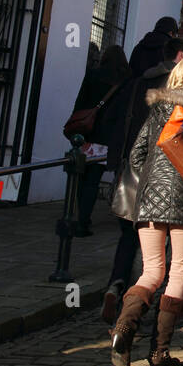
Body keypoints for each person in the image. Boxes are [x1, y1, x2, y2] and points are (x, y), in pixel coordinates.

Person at [109, 56, 183, 366]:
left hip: (149, 201)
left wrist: (149, 186)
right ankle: (159, 352)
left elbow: (137, 154)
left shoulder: (159, 107)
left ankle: (123, 328)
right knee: (178, 272)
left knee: (151, 272)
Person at [95, 35, 183, 323]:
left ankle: (116, 285)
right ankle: (162, 303)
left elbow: (120, 122)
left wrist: (116, 163)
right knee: (165, 250)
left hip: (132, 172)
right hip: (168, 177)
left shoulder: (138, 82)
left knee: (128, 237)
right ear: (180, 57)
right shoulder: (180, 91)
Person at [71, 45, 130, 236]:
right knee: (98, 179)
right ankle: (118, 218)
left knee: (83, 179)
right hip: (109, 136)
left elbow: (80, 103)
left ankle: (81, 218)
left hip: (87, 135)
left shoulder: (93, 75)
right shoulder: (124, 80)